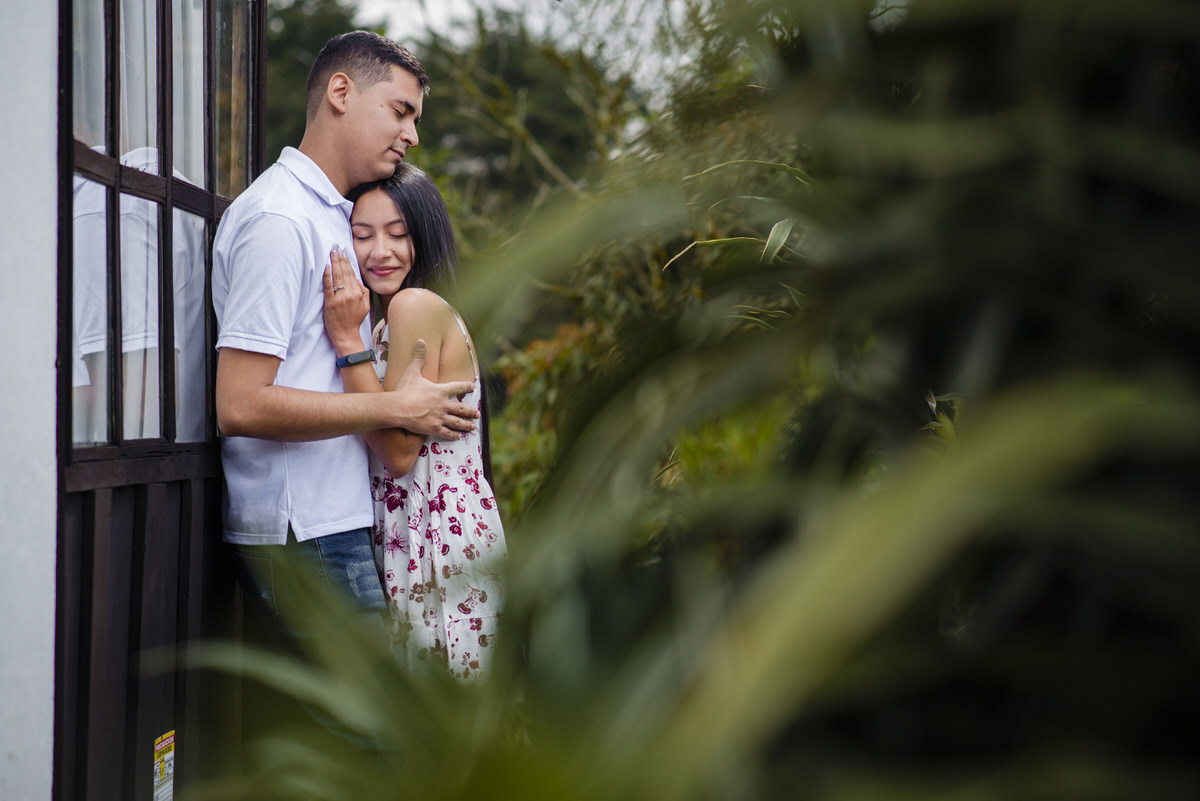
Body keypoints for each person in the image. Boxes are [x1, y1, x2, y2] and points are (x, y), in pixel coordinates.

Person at [211, 31, 478, 645]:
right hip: (305, 527)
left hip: (340, 521)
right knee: (373, 741)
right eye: (400, 110)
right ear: (340, 92)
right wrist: (394, 406)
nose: (411, 134)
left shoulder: (337, 215)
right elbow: (240, 403)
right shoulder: (280, 219)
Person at [322, 164, 507, 683]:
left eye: (398, 234)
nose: (380, 251)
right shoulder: (394, 319)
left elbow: (400, 453)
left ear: (424, 239)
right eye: (362, 235)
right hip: (430, 531)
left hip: (434, 536)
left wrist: (346, 342)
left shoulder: (412, 305)